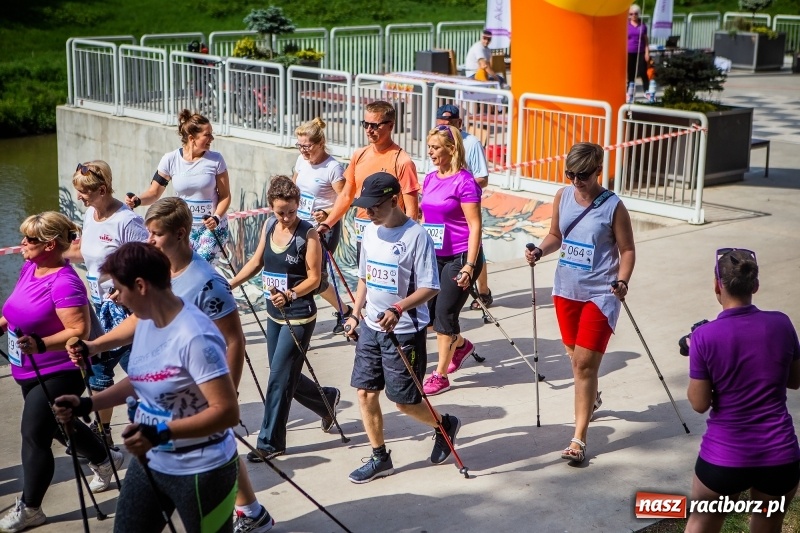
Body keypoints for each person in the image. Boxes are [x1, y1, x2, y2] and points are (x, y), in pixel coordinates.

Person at [67, 198, 275, 532]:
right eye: (148, 233)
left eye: (156, 233)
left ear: (180, 234)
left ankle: (250, 510)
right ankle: (251, 509)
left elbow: (234, 341)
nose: (150, 239)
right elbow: (141, 346)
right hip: (154, 455)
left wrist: (226, 394)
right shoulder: (155, 295)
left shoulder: (207, 285)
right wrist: (93, 354)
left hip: (198, 453)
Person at [54, 242, 241, 533]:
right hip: (152, 460)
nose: (116, 298)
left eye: (118, 288)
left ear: (140, 285)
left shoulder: (195, 336)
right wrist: (88, 404)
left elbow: (227, 413)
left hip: (202, 469)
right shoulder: (146, 321)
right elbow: (144, 378)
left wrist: (160, 432)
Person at [0, 212, 123, 533]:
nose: (22, 243)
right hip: (28, 368)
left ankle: (31, 508)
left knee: (33, 433)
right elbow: (15, 306)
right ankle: (106, 459)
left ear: (51, 245)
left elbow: (78, 329)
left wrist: (40, 344)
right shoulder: (31, 266)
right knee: (56, 423)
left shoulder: (65, 281)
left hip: (62, 369)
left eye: (29, 239)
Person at [342, 172, 461, 484]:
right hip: (371, 326)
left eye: (375, 206)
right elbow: (365, 278)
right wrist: (355, 313)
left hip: (405, 331)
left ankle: (443, 425)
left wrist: (399, 307)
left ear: (394, 200)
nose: (369, 212)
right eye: (365, 207)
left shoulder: (416, 236)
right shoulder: (369, 232)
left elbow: (430, 287)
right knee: (365, 393)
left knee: (404, 401)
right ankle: (379, 457)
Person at [524, 142, 634, 463]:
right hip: (565, 292)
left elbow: (627, 250)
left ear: (599, 171)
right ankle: (591, 397)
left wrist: (623, 280)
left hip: (601, 294)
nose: (576, 181)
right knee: (576, 360)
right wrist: (540, 250)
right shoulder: (563, 196)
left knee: (584, 365)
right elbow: (557, 234)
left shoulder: (613, 206)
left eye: (583, 175)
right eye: (570, 174)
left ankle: (578, 439)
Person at [685, 248, 800, 533]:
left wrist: (700, 356)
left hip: (724, 458)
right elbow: (795, 380)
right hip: (780, 456)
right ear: (755, 286)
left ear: (717, 284)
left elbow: (699, 403)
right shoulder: (782, 323)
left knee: (702, 525)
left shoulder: (703, 337)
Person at [229, 176, 340, 462]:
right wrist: (230, 284)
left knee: (278, 379)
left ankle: (270, 442)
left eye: (291, 210)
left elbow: (315, 279)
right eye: (281, 212)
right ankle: (325, 400)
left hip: (299, 316)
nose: (287, 217)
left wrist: (290, 294)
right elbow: (256, 262)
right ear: (271, 207)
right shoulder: (268, 226)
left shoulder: (309, 235)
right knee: (284, 374)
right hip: (273, 314)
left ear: (298, 205)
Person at [66, 160, 149, 448]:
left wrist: (122, 285)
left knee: (135, 370)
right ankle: (106, 437)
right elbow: (85, 255)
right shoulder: (91, 214)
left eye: (84, 192)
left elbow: (146, 261)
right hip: (98, 308)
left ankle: (150, 426)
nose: (79, 197)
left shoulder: (127, 221)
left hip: (125, 309)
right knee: (101, 373)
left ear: (102, 190)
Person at [419, 125, 484, 396]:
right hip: (434, 257)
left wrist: (469, 266)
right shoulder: (431, 178)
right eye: (430, 147)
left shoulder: (465, 182)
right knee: (430, 318)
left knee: (445, 315)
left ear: (451, 149)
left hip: (460, 257)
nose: (431, 152)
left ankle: (440, 374)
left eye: (436, 147)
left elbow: (475, 226)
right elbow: (426, 219)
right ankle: (460, 344)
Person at [125, 109, 231, 262]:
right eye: (207, 135)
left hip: (212, 228)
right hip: (184, 229)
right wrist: (137, 200)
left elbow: (225, 196)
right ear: (191, 138)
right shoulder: (170, 159)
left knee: (200, 266)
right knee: (182, 270)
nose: (212, 138)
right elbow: (154, 193)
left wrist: (216, 217)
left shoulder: (216, 160)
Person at [319, 101, 420, 261]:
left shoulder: (402, 161)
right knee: (365, 284)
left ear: (390, 126)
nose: (368, 130)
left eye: (374, 125)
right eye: (365, 124)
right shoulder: (359, 155)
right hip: (363, 235)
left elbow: (411, 211)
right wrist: (327, 224)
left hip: (392, 237)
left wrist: (406, 241)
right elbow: (346, 196)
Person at [291, 117, 351, 334]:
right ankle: (341, 309)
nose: (303, 151)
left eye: (307, 146)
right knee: (301, 272)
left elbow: (345, 200)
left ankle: (343, 310)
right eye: (300, 146)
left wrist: (326, 214)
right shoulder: (301, 161)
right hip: (300, 223)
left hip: (324, 228)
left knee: (315, 277)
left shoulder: (332, 168)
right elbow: (294, 188)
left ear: (320, 143)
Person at [434, 104, 493, 312]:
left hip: (465, 204)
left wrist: (460, 188)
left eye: (450, 124)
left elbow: (483, 178)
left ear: (460, 123)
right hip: (443, 207)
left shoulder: (472, 143)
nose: (445, 128)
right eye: (441, 125)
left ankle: (483, 291)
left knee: (475, 246)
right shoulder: (437, 142)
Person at [627, 4, 650, 101]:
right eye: (631, 14)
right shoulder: (626, 25)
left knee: (642, 71)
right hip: (629, 51)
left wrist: (647, 52)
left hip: (640, 51)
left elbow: (646, 40)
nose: (633, 16)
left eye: (635, 14)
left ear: (639, 14)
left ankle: (646, 91)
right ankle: (630, 92)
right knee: (630, 73)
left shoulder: (642, 25)